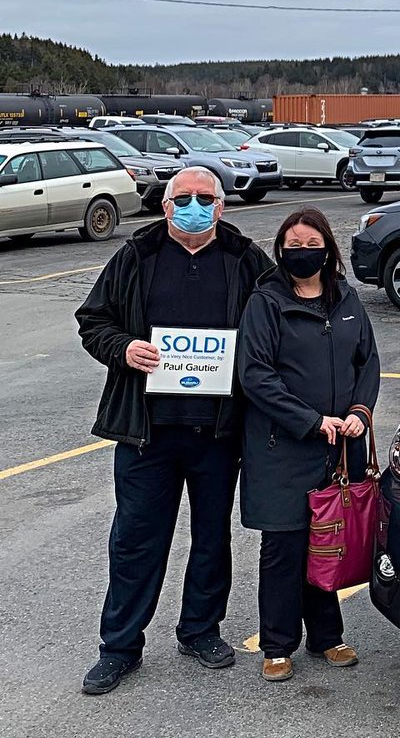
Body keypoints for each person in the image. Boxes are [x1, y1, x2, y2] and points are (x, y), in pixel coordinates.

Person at [77, 167, 273, 696]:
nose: (193, 206)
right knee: (136, 540)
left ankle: (200, 630)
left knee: (212, 537)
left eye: (204, 197)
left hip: (218, 433)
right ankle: (119, 647)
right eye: (182, 198)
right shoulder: (136, 256)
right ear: (165, 206)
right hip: (147, 433)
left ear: (221, 206)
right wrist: (123, 349)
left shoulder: (246, 259)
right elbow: (93, 320)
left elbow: (281, 318)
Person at [237, 207, 380, 683]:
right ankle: (277, 645)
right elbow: (255, 375)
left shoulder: (347, 298)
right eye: (293, 246)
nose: (303, 253)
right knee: (284, 546)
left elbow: (368, 362)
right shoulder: (266, 302)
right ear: (280, 251)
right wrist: (311, 421)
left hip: (339, 447)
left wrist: (360, 411)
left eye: (311, 245)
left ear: (328, 249)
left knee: (328, 541)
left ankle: (326, 637)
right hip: (282, 447)